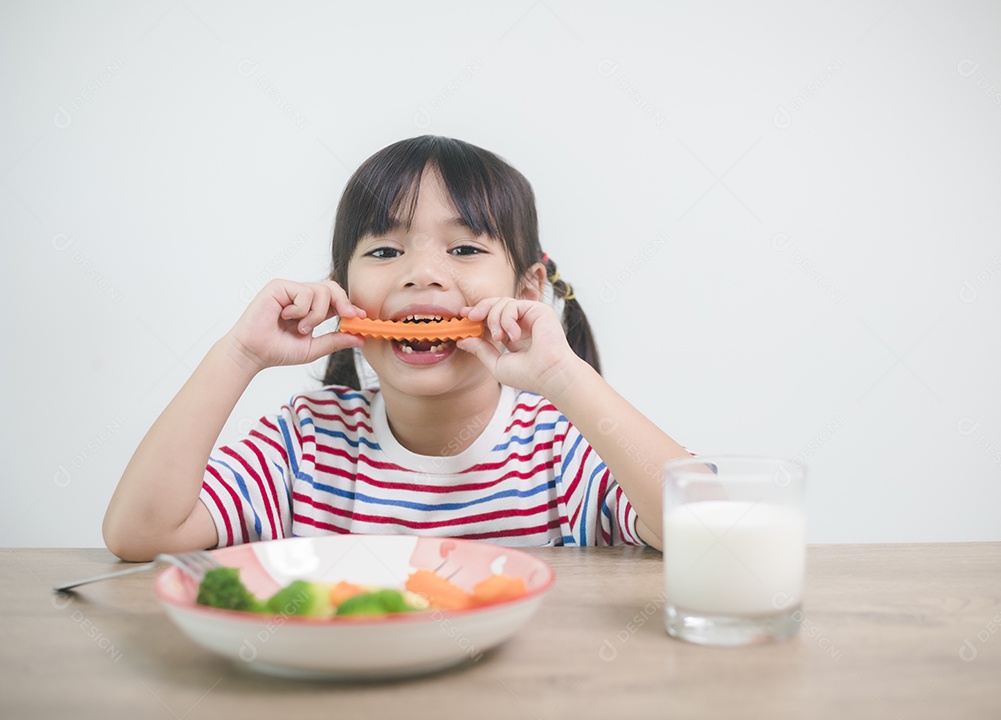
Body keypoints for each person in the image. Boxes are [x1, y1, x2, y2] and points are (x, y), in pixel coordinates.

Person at [103, 135, 688, 562]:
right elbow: (141, 534)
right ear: (343, 293)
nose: (422, 274)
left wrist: (563, 374)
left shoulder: (561, 445)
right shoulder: (307, 442)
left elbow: (701, 532)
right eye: (385, 252)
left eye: (463, 250)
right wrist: (239, 356)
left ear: (527, 290)